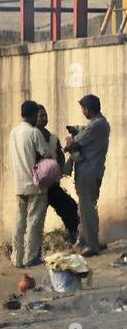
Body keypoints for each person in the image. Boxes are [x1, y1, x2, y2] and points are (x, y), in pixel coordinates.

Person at [64, 93, 110, 256]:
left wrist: (70, 140)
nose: (82, 112)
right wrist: (77, 131)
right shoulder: (101, 123)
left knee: (87, 208)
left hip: (87, 172)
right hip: (94, 171)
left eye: (83, 109)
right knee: (86, 208)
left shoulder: (96, 125)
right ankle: (86, 240)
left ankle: (91, 245)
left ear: (87, 109)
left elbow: (72, 145)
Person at [9, 99, 48, 268]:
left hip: (18, 183)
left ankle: (16, 258)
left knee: (19, 221)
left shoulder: (13, 132)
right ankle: (30, 257)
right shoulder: (34, 133)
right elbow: (45, 155)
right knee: (34, 221)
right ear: (33, 115)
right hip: (34, 184)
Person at [35, 106, 79, 241]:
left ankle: (74, 238)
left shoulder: (51, 136)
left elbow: (59, 156)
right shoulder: (32, 137)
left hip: (52, 186)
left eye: (45, 115)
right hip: (38, 187)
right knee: (35, 220)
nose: (44, 118)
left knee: (70, 209)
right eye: (41, 116)